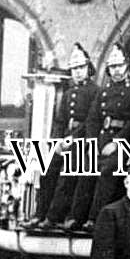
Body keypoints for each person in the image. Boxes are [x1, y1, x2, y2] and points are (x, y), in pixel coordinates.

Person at [66, 43, 130, 232]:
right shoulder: (103, 92)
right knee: (86, 169)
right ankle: (76, 217)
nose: (116, 71)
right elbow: (92, 119)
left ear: (127, 66)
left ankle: (95, 218)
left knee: (107, 171)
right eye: (112, 67)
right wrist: (92, 143)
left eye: (119, 66)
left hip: (124, 144)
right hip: (102, 140)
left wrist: (116, 143)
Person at [36, 43, 99, 229]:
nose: (78, 72)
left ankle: (54, 217)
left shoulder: (95, 92)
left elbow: (91, 121)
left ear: (88, 68)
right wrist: (56, 142)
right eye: (74, 69)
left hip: (83, 140)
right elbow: (59, 121)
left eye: (81, 68)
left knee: (67, 174)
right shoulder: (68, 93)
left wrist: (72, 139)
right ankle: (40, 214)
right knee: (47, 171)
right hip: (64, 139)